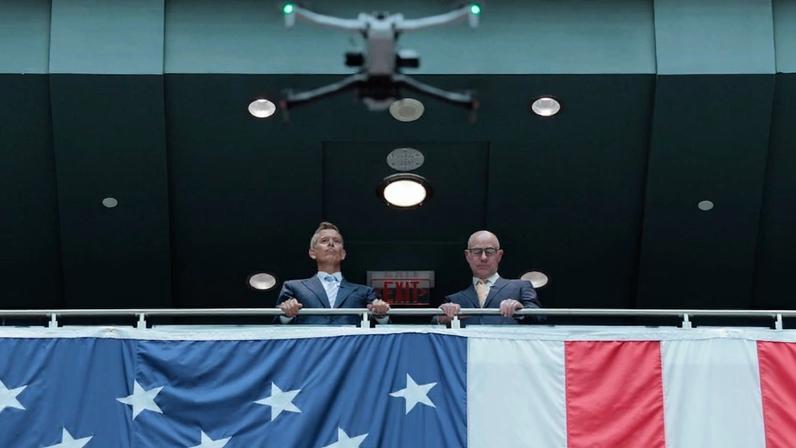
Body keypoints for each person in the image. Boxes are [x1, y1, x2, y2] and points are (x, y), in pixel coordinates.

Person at [276, 222, 390, 325]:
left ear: (343, 254)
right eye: (324, 240)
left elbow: (382, 328)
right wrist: (287, 313)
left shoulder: (365, 291)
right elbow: (275, 326)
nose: (331, 243)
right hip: (310, 346)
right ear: (312, 253)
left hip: (350, 346)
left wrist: (381, 314)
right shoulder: (293, 287)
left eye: (336, 241)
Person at [438, 230, 541, 326]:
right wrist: (441, 318)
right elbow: (433, 323)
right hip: (469, 345)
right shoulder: (454, 299)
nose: (483, 258)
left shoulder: (521, 286)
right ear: (467, 255)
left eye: (490, 251)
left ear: (499, 255)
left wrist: (520, 310)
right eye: (477, 251)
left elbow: (540, 316)